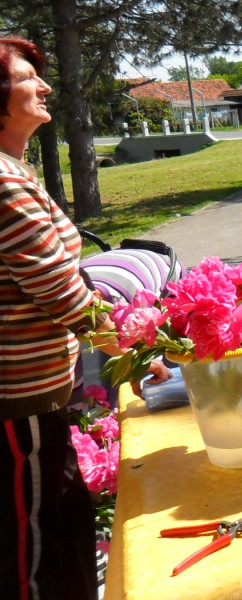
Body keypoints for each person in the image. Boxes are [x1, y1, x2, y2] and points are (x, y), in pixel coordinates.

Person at [0, 38, 116, 599]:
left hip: (40, 393)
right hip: (19, 402)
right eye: (29, 77)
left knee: (63, 519)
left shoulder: (12, 169)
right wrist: (144, 348)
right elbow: (61, 292)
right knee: (35, 542)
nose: (45, 86)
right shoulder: (3, 182)